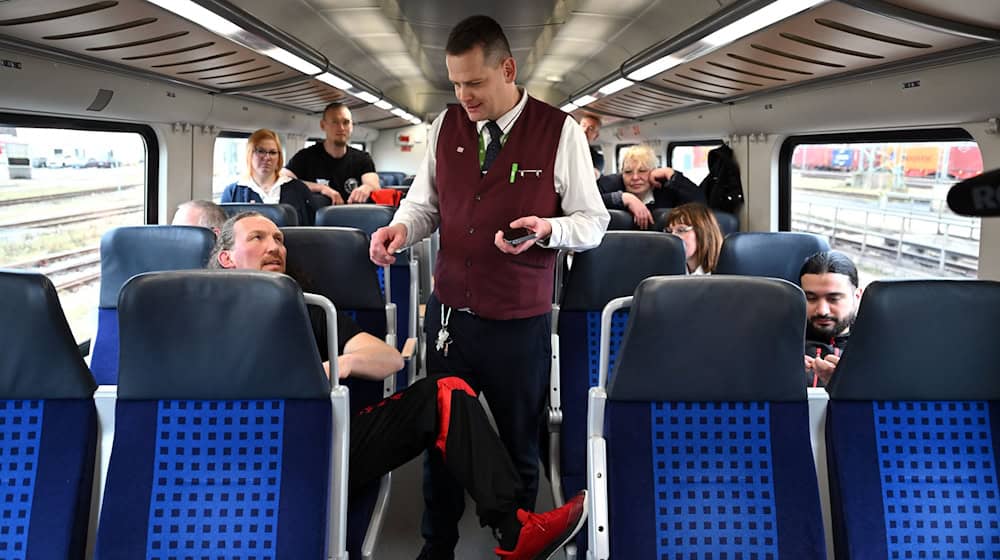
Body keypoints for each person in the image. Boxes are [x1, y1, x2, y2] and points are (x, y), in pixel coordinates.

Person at [210, 211, 588, 559]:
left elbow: (389, 359)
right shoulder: (193, 316)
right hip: (228, 451)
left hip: (320, 445)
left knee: (445, 390)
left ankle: (514, 530)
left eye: (278, 239)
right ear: (226, 257)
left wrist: (335, 365)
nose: (274, 246)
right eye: (258, 238)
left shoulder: (310, 308)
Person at [367, 15, 608, 560]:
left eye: (474, 83)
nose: (463, 96)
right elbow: (424, 206)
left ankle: (516, 540)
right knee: (443, 438)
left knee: (520, 438)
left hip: (520, 319)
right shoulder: (445, 127)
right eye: (455, 83)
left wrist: (550, 230)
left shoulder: (559, 131)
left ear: (507, 69)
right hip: (451, 315)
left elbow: (592, 222)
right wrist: (401, 230)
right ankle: (438, 544)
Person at [282, 102, 381, 205]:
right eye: (335, 122)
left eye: (346, 122)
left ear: (352, 126)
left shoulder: (363, 158)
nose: (341, 128)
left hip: (353, 218)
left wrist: (367, 187)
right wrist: (321, 188)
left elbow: (374, 185)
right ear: (323, 125)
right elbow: (283, 179)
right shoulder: (306, 156)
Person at [220, 129, 315, 226]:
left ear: (279, 157)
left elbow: (309, 231)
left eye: (273, 152)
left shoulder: (299, 189)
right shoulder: (233, 192)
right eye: (261, 151)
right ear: (250, 154)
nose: (267, 157)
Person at [597, 144, 704, 229]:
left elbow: (700, 202)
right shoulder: (610, 184)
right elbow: (588, 201)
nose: (635, 177)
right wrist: (624, 198)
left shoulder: (666, 189)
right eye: (628, 172)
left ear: (654, 171)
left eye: (642, 171)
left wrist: (671, 174)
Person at [800, 251, 862, 388]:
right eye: (811, 298)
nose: (822, 310)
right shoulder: (779, 344)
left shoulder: (875, 347)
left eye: (833, 299)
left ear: (857, 297)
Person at [663, 202, 724, 275]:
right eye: (669, 231)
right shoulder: (666, 270)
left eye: (681, 230)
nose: (672, 236)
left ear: (703, 233)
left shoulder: (727, 270)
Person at [579, 113, 604, 177]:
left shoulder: (597, 158)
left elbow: (592, 176)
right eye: (583, 125)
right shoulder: (562, 146)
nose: (585, 130)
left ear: (596, 136)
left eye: (591, 128)